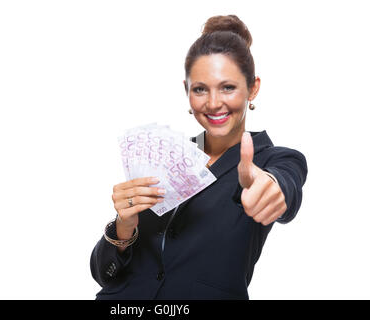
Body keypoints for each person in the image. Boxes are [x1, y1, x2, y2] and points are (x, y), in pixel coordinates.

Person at [90, 14, 308, 300]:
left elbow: (285, 187)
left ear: (252, 88)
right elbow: (103, 274)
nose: (213, 102)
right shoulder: (163, 155)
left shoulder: (276, 160)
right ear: (187, 92)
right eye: (200, 89)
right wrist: (123, 227)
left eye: (228, 87)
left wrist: (272, 187)